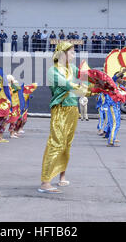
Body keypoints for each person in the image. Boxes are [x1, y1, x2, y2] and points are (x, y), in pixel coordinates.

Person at [38, 42, 92, 194]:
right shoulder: (52, 71)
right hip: (60, 109)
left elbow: (86, 80)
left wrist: (101, 83)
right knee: (56, 143)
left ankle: (62, 176)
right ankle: (45, 182)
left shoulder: (72, 69)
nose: (74, 54)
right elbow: (67, 85)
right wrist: (83, 86)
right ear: (62, 53)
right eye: (72, 52)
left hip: (72, 109)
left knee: (67, 144)